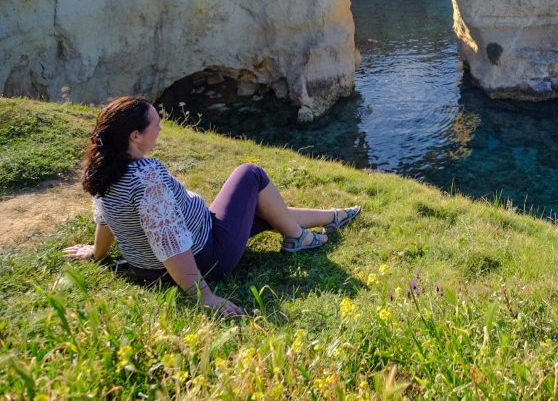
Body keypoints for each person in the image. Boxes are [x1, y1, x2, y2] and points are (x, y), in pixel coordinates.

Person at [63, 97, 360, 316]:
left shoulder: (103, 169)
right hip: (206, 256)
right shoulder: (147, 178)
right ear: (135, 135)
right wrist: (204, 296)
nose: (161, 128)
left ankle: (333, 217)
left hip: (149, 269)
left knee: (264, 211)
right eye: (156, 123)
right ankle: (298, 237)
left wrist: (97, 252)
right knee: (250, 173)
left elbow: (105, 220)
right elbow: (170, 242)